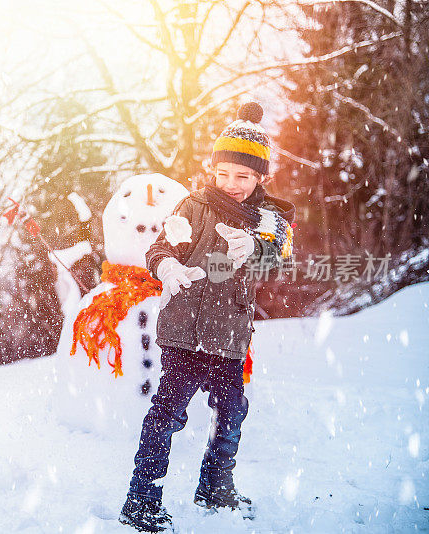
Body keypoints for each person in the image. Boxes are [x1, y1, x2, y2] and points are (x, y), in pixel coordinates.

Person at [118, 102, 295, 532]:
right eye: (223, 174)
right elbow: (159, 248)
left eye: (243, 176)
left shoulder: (270, 219)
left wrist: (254, 248)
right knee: (167, 414)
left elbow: (281, 256)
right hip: (184, 332)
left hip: (230, 335)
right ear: (212, 170)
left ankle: (216, 486)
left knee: (231, 412)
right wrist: (166, 266)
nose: (230, 185)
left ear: (259, 178)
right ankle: (141, 501)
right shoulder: (192, 207)